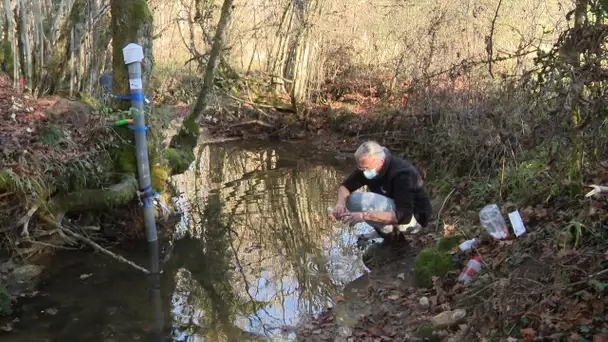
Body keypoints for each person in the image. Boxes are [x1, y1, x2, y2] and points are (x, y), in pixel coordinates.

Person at [332, 141, 432, 243]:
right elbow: (345, 187)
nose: (363, 172)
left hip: (414, 220)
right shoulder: (369, 166)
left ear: (380, 162)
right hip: (393, 209)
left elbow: (404, 215)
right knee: (349, 199)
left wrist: (363, 216)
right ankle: (384, 232)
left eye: (365, 168)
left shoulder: (402, 174)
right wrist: (340, 204)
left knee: (363, 201)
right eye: (361, 168)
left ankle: (393, 237)